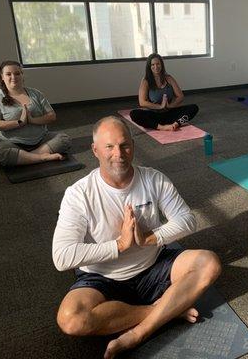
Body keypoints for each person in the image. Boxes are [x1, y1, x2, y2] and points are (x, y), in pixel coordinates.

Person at [52, 116, 221, 359]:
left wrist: (150, 238)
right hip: (102, 277)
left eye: (124, 145)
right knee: (71, 320)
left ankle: (138, 332)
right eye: (109, 147)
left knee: (209, 263)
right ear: (95, 150)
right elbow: (62, 256)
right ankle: (164, 310)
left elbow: (187, 219)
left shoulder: (154, 178)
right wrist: (119, 245)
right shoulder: (78, 194)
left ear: (133, 145)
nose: (118, 153)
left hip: (153, 267)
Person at [0, 60, 71, 166]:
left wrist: (32, 120)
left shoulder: (36, 94)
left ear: (22, 75)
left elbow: (51, 116)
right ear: (2, 77)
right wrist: (19, 122)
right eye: (8, 74)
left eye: (17, 73)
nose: (13, 77)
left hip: (40, 140)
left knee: (64, 139)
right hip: (12, 143)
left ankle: (27, 157)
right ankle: (41, 157)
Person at [129, 53, 199, 131]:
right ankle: (162, 127)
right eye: (153, 64)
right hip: (155, 115)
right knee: (134, 114)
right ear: (149, 66)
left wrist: (170, 106)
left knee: (194, 107)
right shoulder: (146, 81)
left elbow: (180, 96)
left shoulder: (168, 78)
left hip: (170, 114)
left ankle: (176, 124)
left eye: (158, 64)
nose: (156, 67)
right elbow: (142, 102)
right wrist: (160, 106)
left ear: (161, 65)